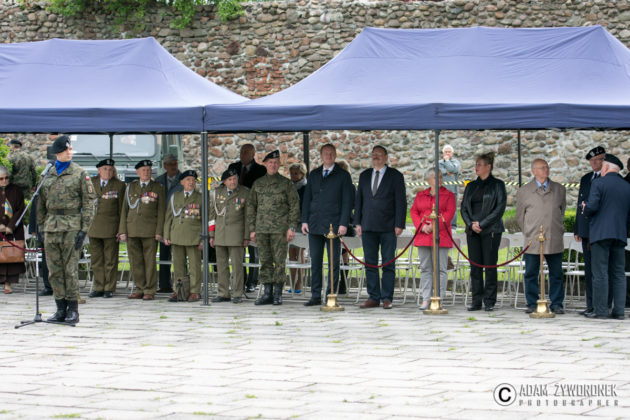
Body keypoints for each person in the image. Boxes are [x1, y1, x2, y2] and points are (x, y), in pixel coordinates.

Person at [37, 135, 95, 324]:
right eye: (66, 150)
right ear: (57, 153)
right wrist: (41, 227)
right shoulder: (47, 174)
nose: (70, 152)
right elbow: (40, 204)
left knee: (70, 270)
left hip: (72, 226)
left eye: (70, 149)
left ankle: (73, 310)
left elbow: (89, 203)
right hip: (51, 226)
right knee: (54, 271)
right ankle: (60, 308)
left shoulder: (79, 173)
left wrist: (84, 229)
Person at [301, 144, 354, 307]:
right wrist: (304, 220)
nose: (328, 156)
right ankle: (315, 295)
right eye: (325, 153)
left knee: (333, 263)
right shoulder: (314, 174)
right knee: (315, 262)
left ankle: (331, 295)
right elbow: (307, 199)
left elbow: (347, 202)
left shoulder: (343, 176)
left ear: (335, 155)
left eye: (331, 153)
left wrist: (344, 223)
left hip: (334, 226)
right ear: (321, 155)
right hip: (315, 225)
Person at [355, 145, 407, 310]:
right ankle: (373, 297)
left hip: (388, 227)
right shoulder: (364, 175)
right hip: (368, 226)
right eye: (373, 154)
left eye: (379, 154)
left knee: (388, 263)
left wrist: (399, 224)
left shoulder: (395, 176)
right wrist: (357, 222)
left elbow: (401, 201)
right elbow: (359, 200)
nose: (375, 157)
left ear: (386, 157)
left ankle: (386, 297)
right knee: (370, 263)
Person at [247, 150, 300, 306]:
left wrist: (291, 227)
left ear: (279, 165)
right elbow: (251, 207)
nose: (273, 165)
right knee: (265, 261)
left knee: (279, 262)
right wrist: (252, 229)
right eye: (270, 162)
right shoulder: (258, 184)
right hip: (262, 229)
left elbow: (294, 206)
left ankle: (277, 294)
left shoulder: (286, 184)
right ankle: (267, 293)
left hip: (280, 230)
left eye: (276, 162)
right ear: (265, 164)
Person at [516, 158, 567, 315]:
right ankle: (532, 303)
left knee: (556, 273)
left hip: (553, 237)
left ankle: (557, 303)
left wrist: (556, 227)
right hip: (533, 239)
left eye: (547, 167)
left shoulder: (559, 189)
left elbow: (562, 211)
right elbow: (520, 216)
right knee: (531, 273)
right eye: (542, 167)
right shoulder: (524, 191)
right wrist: (529, 231)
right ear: (534, 171)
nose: (546, 170)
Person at [582, 154, 630, 320]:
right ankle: (619, 311)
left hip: (601, 234)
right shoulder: (627, 186)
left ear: (607, 167)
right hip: (620, 234)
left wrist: (585, 207)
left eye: (603, 166)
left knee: (600, 272)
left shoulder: (599, 183)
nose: (601, 169)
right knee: (618, 273)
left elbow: (592, 207)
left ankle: (601, 310)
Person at [460, 152, 506, 312]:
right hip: (472, 231)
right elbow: (463, 208)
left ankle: (489, 300)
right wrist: (470, 224)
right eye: (476, 164)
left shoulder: (498, 185)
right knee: (475, 267)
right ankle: (476, 300)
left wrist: (482, 223)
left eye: (479, 164)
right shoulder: (471, 186)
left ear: (489, 167)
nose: (476, 167)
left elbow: (499, 208)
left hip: (491, 230)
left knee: (490, 265)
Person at [119, 160, 165, 301]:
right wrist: (122, 230)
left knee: (149, 261)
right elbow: (124, 210)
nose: (146, 172)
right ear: (137, 172)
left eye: (149, 170)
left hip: (150, 230)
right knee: (135, 261)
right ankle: (139, 288)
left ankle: (149, 289)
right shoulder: (130, 187)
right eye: (143, 170)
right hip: (132, 229)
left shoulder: (157, 187)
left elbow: (161, 211)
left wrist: (159, 231)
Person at [410, 169, 456, 310]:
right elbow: (414, 211)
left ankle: (439, 298)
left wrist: (434, 226)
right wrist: (422, 226)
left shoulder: (449, 195)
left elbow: (449, 213)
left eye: (441, 177)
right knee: (425, 268)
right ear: (428, 180)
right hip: (424, 236)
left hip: (441, 236)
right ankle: (426, 298)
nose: (440, 179)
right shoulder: (421, 195)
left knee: (441, 269)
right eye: (436, 177)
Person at [228, 144, 267, 293]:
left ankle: (252, 281)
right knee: (238, 249)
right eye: (242, 151)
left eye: (246, 152)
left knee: (253, 249)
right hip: (236, 213)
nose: (243, 154)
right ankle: (241, 279)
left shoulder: (261, 170)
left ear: (253, 154)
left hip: (253, 213)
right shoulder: (233, 167)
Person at [209, 168, 249, 304]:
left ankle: (237, 293)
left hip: (236, 235)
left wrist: (246, 236)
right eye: (230, 179)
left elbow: (248, 217)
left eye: (235, 179)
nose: (233, 182)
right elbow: (212, 217)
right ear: (224, 181)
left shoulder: (244, 192)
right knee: (221, 266)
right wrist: (211, 235)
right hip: (220, 235)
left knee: (237, 267)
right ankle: (223, 293)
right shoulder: (216, 193)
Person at [573, 146, 606, 316]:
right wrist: (578, 228)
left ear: (603, 160)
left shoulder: (607, 178)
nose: (594, 163)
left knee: (600, 271)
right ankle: (590, 304)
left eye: (597, 160)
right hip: (587, 232)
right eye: (592, 160)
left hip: (600, 231)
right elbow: (580, 205)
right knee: (589, 270)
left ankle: (601, 305)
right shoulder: (586, 179)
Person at [87, 159, 126, 298]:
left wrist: (121, 229)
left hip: (111, 227)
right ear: (99, 170)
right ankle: (98, 286)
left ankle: (109, 287)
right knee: (96, 260)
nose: (108, 172)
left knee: (110, 260)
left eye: (110, 169)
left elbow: (122, 209)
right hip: (93, 227)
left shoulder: (119, 185)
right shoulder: (90, 183)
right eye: (105, 169)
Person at [163, 170, 204, 303]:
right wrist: (166, 235)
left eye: (193, 180)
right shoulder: (175, 196)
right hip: (177, 235)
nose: (191, 182)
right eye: (188, 180)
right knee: (178, 265)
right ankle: (179, 290)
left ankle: (194, 291)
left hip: (194, 236)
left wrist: (203, 238)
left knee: (194, 266)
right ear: (182, 182)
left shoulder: (200, 197)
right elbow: (168, 217)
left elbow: (205, 219)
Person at [155, 154, 183, 294]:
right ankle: (164, 284)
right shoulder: (159, 180)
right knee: (164, 254)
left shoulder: (184, 179)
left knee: (180, 256)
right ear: (165, 166)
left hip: (179, 221)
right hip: (163, 221)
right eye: (170, 164)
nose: (173, 166)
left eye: (175, 163)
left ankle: (182, 285)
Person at [0, 166, 26, 294]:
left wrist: (11, 226)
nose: (4, 181)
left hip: (13, 230)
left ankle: (8, 284)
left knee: (11, 257)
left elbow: (20, 210)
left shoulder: (16, 190)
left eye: (6, 178)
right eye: (1, 179)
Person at [288, 163, 307, 293]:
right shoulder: (288, 187)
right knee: (291, 254)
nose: (293, 176)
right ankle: (291, 282)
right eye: (291, 173)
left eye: (296, 173)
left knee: (300, 254)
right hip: (290, 224)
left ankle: (299, 283)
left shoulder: (306, 188)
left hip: (301, 224)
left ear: (302, 174)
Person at [438, 144, 461, 229]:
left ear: (452, 153)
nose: (447, 153)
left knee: (452, 208)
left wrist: (447, 161)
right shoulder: (439, 162)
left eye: (449, 152)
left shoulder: (456, 162)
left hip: (452, 190)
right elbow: (438, 171)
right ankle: (442, 225)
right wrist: (446, 172)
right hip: (441, 189)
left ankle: (453, 226)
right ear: (443, 153)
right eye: (446, 152)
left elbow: (453, 169)